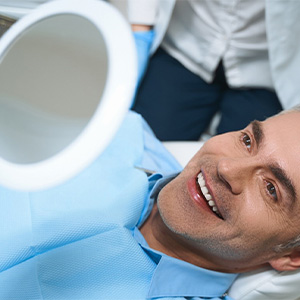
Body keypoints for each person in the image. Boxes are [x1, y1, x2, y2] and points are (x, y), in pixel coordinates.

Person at [2, 106, 300, 299]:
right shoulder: (120, 131)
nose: (227, 168)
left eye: (271, 189)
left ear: (293, 256)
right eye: (248, 141)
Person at [130, 0, 300, 141]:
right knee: (143, 145)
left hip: (265, 70)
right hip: (186, 47)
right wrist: (140, 30)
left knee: (243, 167)